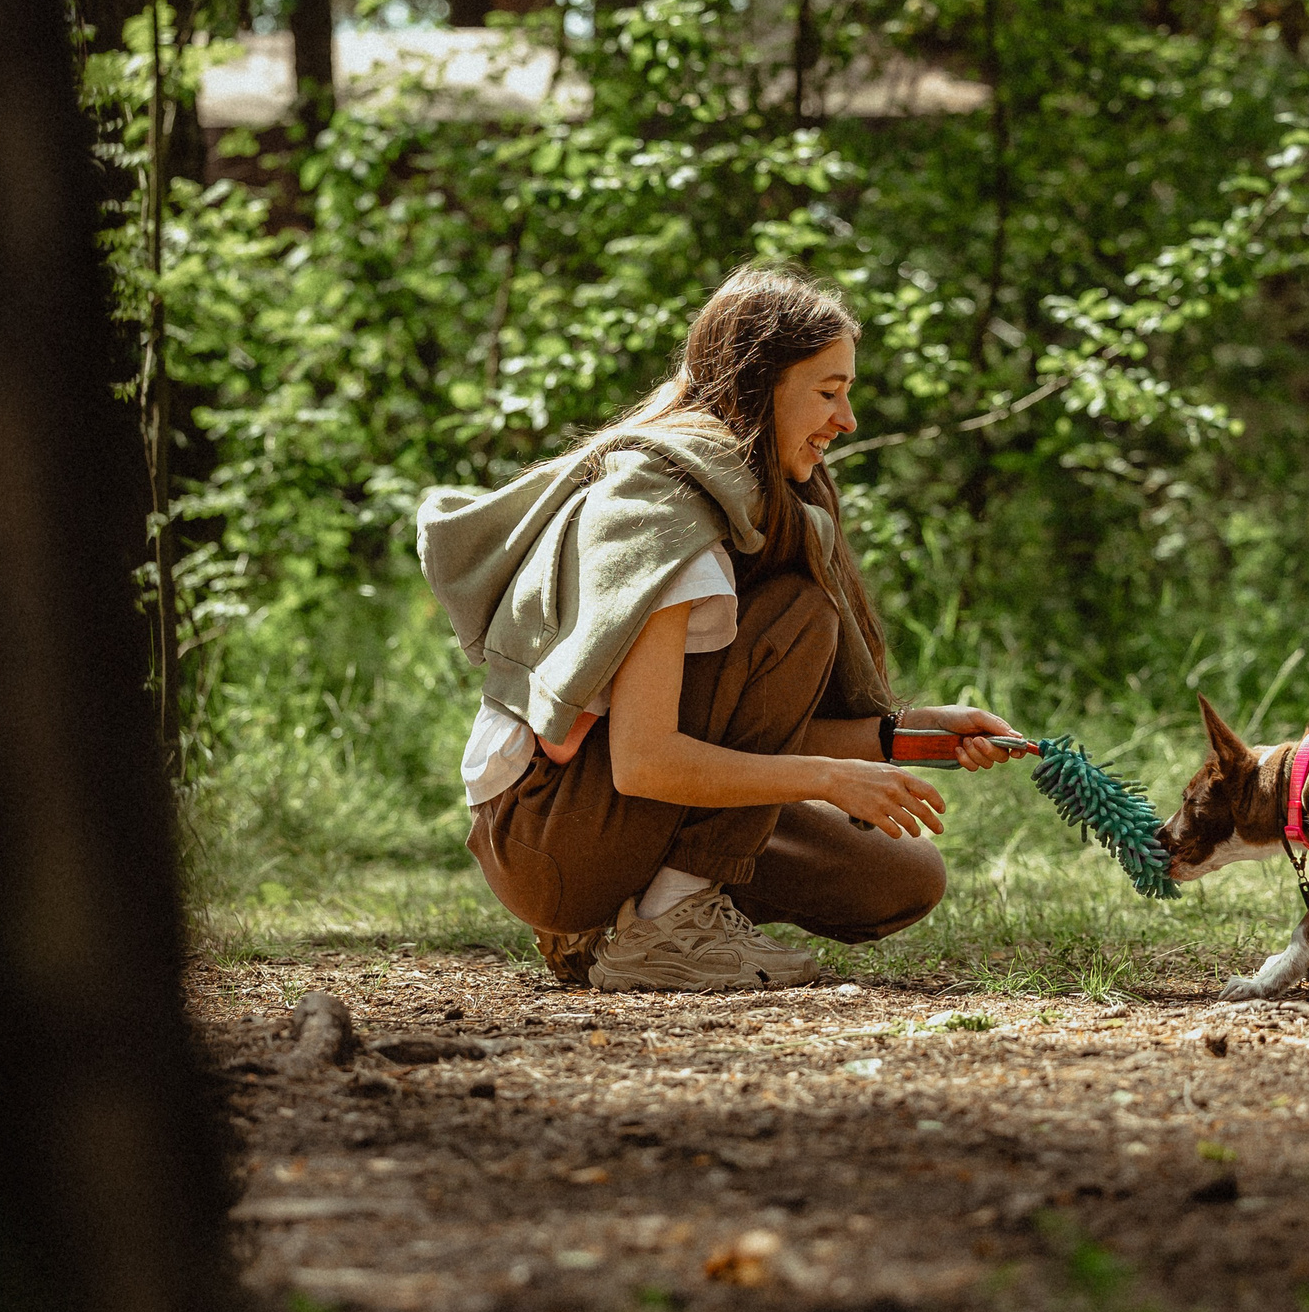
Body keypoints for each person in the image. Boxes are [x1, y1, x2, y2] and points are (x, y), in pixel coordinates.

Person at [417, 267, 1023, 992]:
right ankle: (665, 929)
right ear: (757, 385)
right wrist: (832, 778)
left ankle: (631, 921)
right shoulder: (666, 513)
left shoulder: (748, 502)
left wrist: (913, 735)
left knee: (900, 877)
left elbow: (740, 731)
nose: (847, 419)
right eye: (828, 392)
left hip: (615, 812)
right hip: (550, 832)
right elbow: (644, 761)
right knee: (801, 618)